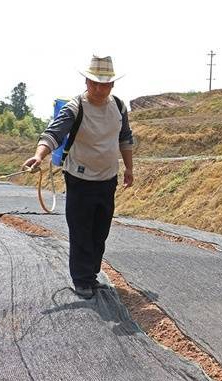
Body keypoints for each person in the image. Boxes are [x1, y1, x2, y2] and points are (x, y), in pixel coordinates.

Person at [22, 55, 134, 299]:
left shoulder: (119, 107)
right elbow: (54, 133)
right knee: (81, 230)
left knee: (100, 232)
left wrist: (129, 168)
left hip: (107, 179)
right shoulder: (75, 107)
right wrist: (39, 156)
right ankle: (81, 279)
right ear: (86, 81)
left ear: (112, 85)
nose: (99, 88)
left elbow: (125, 138)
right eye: (94, 83)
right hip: (80, 179)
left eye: (104, 84)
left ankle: (92, 275)